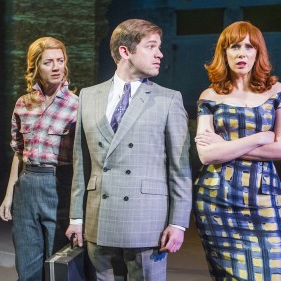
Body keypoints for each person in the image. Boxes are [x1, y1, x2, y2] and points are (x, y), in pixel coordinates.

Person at [66, 18, 192, 281]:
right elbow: (81, 165)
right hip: (99, 217)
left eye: (159, 47)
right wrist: (76, 217)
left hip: (147, 221)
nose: (160, 54)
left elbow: (180, 169)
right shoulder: (88, 97)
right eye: (151, 46)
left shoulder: (168, 99)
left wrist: (178, 223)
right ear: (125, 51)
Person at [193, 21, 281, 281]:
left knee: (272, 273)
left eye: (249, 47)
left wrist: (224, 147)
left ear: (258, 52)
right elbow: (207, 155)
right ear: (223, 53)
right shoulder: (209, 96)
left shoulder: (277, 91)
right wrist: (261, 137)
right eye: (234, 47)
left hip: (263, 198)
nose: (242, 53)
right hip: (217, 199)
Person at [0, 37, 78, 281]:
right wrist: (10, 194)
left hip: (59, 185)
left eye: (60, 61)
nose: (56, 67)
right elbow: (18, 151)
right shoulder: (23, 103)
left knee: (57, 260)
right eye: (48, 62)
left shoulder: (77, 106)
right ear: (35, 67)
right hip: (27, 184)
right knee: (26, 262)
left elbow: (83, 161)